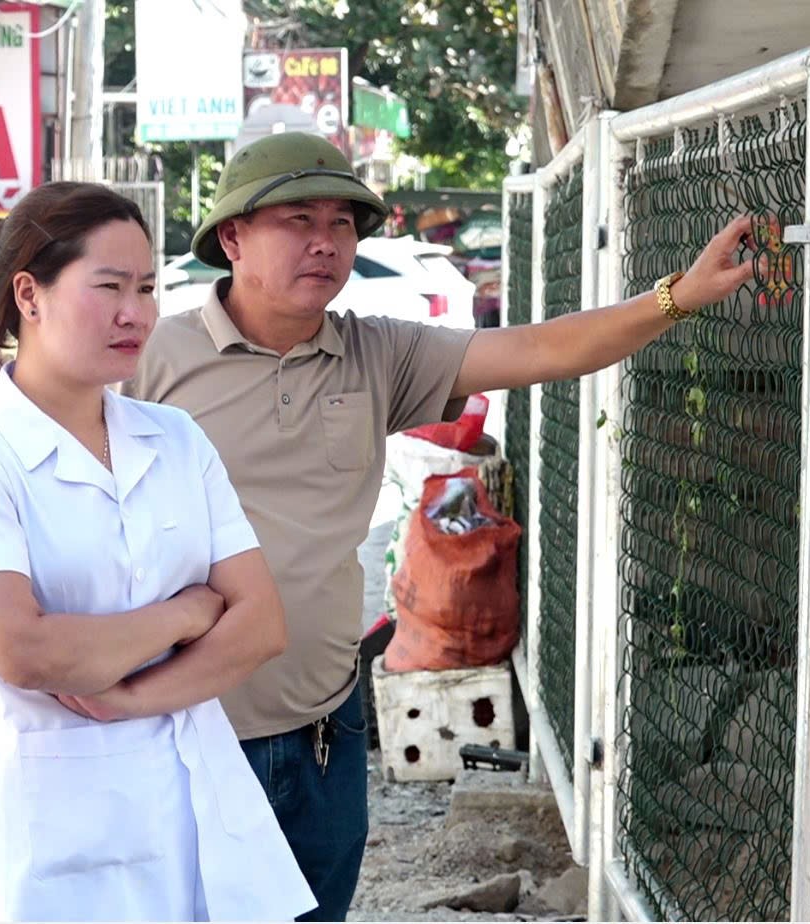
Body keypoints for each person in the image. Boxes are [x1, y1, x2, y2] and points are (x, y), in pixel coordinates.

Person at [124, 131, 758, 921]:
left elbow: (540, 349)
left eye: (342, 223)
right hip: (185, 731)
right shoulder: (148, 360)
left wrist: (677, 296)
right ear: (232, 236)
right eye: (296, 220)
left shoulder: (375, 352)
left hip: (324, 728)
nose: (324, 242)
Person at [0, 181, 316, 922]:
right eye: (108, 287)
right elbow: (27, 652)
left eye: (146, 287)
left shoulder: (174, 438)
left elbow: (261, 626)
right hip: (61, 835)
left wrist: (129, 693)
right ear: (29, 296)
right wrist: (188, 612)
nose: (135, 312)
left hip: (202, 806)